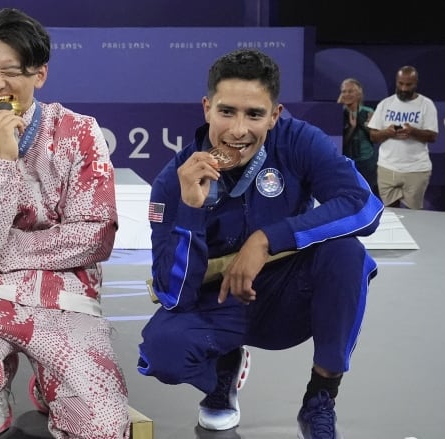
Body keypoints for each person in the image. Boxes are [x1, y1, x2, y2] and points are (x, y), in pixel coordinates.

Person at [136, 49, 383, 439]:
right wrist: (189, 211)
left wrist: (268, 238)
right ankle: (222, 368)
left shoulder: (298, 140)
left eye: (254, 115)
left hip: (287, 299)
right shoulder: (175, 180)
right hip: (217, 304)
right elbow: (172, 293)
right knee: (163, 351)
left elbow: (364, 206)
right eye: (226, 111)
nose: (238, 130)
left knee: (347, 253)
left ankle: (320, 397)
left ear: (275, 114)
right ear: (206, 108)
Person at [0, 8, 130, 438]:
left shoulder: (79, 132)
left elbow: (96, 235)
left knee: (104, 428)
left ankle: (51, 382)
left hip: (64, 299)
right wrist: (3, 159)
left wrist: (1, 255)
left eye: (11, 71)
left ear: (40, 74)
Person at [368, 65, 439, 209]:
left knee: (414, 215)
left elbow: (432, 137)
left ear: (416, 83)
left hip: (416, 169)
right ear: (396, 82)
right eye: (400, 83)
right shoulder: (385, 104)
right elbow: (373, 136)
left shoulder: (426, 105)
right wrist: (387, 132)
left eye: (408, 84)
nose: (404, 88)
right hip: (387, 168)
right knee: (390, 213)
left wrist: (413, 131)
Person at [337, 77, 378, 196]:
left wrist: (364, 125)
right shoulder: (338, 113)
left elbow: (374, 137)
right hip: (346, 161)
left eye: (350, 91)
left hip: (366, 161)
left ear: (359, 93)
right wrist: (351, 127)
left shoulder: (368, 112)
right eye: (344, 91)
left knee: (366, 194)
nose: (346, 94)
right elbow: (338, 141)